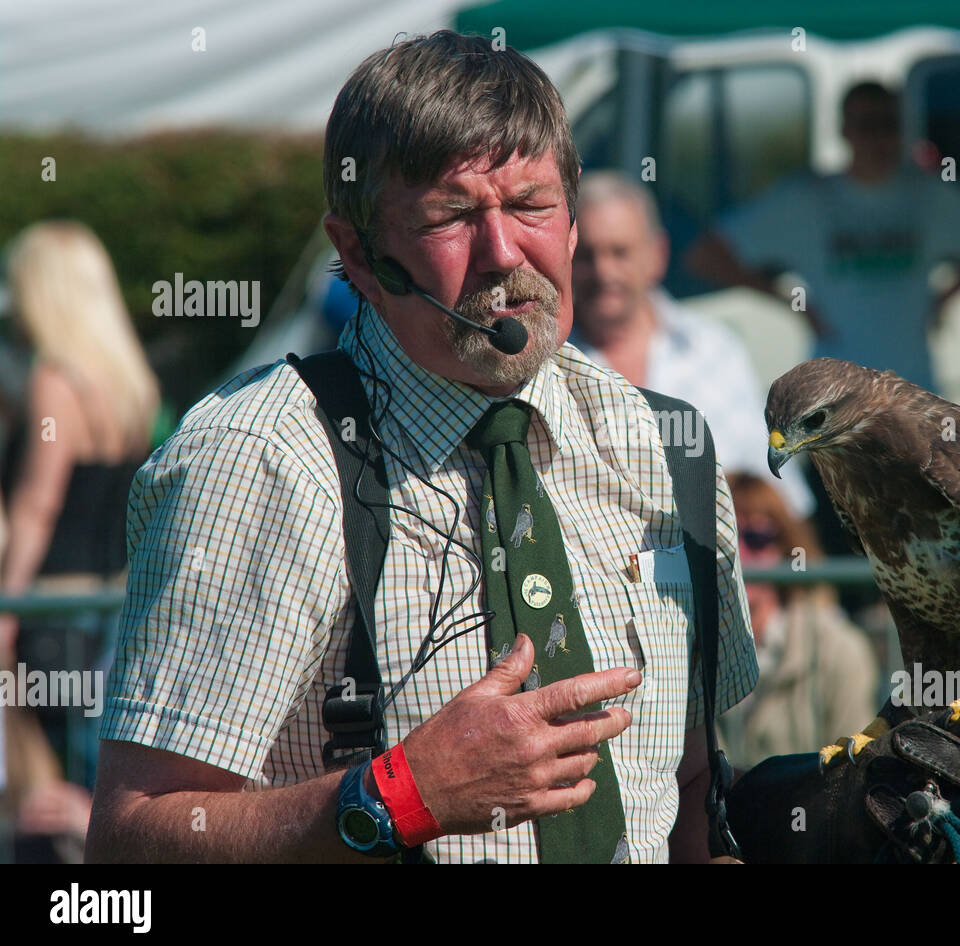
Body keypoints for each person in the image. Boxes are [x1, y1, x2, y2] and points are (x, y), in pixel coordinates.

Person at [85, 30, 761, 865]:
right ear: (360, 256)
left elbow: (688, 790)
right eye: (451, 215)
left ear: (575, 225)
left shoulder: (669, 448)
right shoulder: (260, 458)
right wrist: (401, 796)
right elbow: (131, 842)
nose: (505, 252)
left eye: (531, 205)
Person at [0, 221, 161, 862]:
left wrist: (6, 609)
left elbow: (39, 507)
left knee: (41, 791)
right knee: (87, 775)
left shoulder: (56, 383)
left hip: (46, 608)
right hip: (106, 607)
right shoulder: (127, 383)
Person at [688, 81, 960, 393]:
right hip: (833, 397)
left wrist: (947, 294)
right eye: (867, 125)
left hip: (912, 393)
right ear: (845, 131)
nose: (879, 137)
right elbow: (706, 256)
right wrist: (792, 303)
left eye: (889, 124)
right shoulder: (807, 199)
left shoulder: (928, 195)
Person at [569, 170, 813, 517]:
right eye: (588, 255)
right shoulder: (549, 362)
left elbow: (780, 496)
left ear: (658, 254)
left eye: (619, 253)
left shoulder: (714, 351)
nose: (604, 272)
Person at [717, 472, 878, 768]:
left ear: (786, 547)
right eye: (724, 538)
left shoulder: (838, 648)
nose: (738, 554)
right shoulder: (689, 647)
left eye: (755, 537)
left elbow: (852, 770)